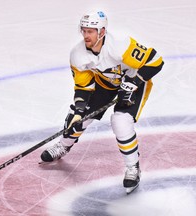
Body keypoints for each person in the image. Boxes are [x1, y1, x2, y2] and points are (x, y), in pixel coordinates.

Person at [40, 11, 164, 193]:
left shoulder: (121, 44)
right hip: (105, 83)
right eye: (84, 30)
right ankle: (63, 145)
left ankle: (133, 168)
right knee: (78, 117)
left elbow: (156, 62)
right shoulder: (77, 54)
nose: (86, 35)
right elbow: (82, 88)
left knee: (120, 121)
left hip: (134, 80)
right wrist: (79, 110)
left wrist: (132, 83)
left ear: (102, 31)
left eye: (91, 31)